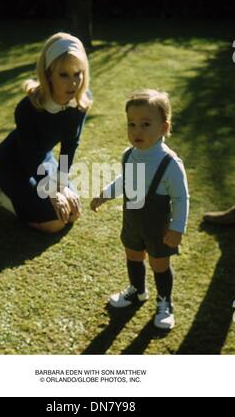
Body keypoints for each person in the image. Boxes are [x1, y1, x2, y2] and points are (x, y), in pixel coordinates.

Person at [91, 89, 189, 330]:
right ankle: (137, 291)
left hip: (158, 227)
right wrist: (105, 194)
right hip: (133, 220)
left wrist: (177, 228)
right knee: (133, 255)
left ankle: (165, 302)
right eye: (131, 124)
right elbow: (125, 181)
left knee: (159, 264)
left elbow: (181, 198)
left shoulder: (170, 164)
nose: (137, 131)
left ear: (164, 128)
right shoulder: (129, 156)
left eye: (145, 124)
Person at [0, 32, 92, 233]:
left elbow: (70, 146)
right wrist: (52, 192)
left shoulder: (80, 103)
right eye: (64, 75)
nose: (73, 83)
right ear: (48, 74)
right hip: (12, 163)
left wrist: (62, 184)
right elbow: (28, 156)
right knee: (54, 223)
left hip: (42, 159)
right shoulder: (28, 108)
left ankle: (34, 198)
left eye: (78, 73)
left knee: (72, 213)